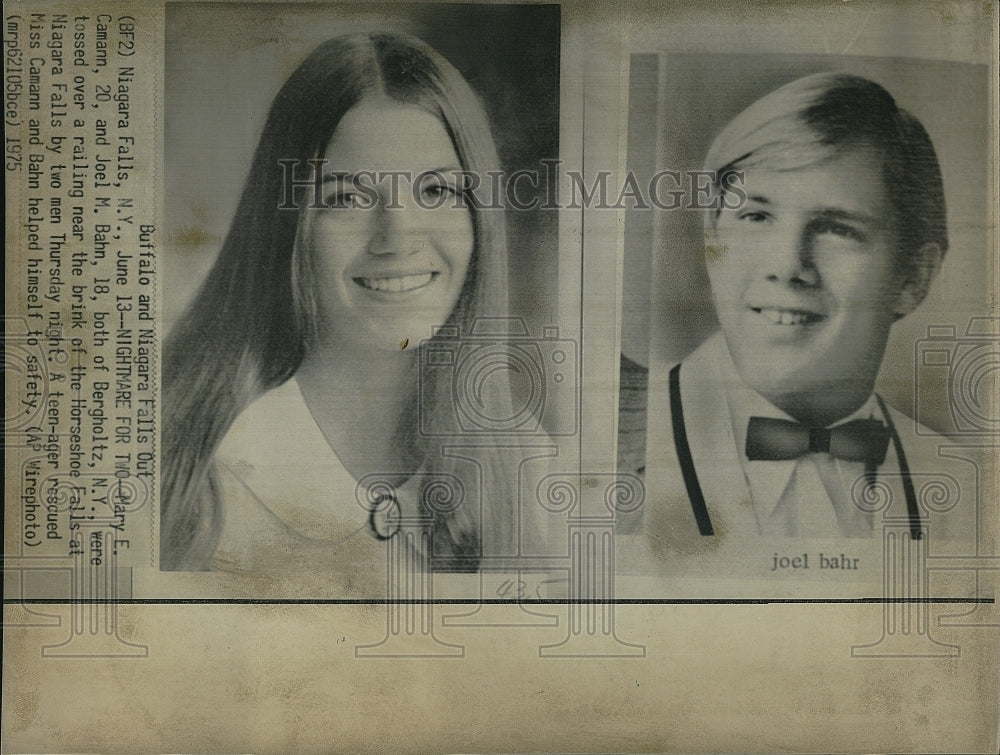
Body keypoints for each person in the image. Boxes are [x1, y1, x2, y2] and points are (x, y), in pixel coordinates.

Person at [161, 32, 532, 591]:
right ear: (287, 225)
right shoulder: (186, 473)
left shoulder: (526, 465)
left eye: (435, 191)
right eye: (347, 198)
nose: (398, 237)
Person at [634, 72, 975, 573]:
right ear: (712, 244)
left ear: (913, 278)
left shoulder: (966, 490)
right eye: (755, 216)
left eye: (837, 228)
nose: (787, 265)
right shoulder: (609, 446)